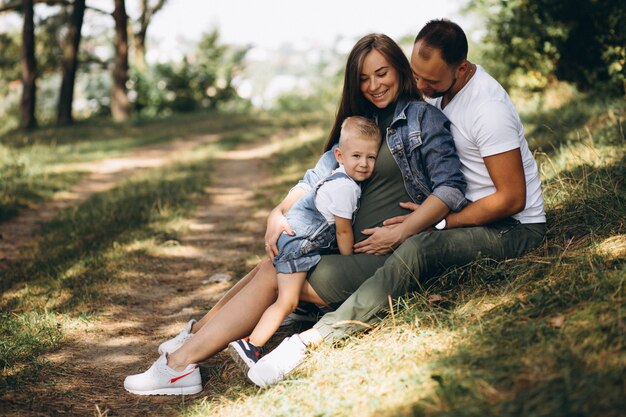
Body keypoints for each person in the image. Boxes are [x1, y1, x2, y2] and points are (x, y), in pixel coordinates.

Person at [123, 32, 467, 396]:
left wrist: (405, 230)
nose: (373, 85)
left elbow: (451, 187)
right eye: (363, 78)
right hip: (344, 248)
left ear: (399, 69)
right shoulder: (361, 122)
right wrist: (278, 211)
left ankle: (179, 366)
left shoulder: (423, 119)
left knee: (276, 270)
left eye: (381, 73)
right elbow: (315, 178)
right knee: (271, 261)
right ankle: (190, 341)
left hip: (385, 257)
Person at [246, 19, 547, 388]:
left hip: (514, 229)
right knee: (284, 263)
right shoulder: (440, 90)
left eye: (431, 82)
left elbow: (512, 199)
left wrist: (434, 223)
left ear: (463, 68)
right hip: (470, 216)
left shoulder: (488, 109)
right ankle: (199, 337)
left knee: (419, 245)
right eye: (416, 76)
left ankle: (314, 338)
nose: (421, 87)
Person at [227, 116, 380, 371]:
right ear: (340, 155)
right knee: (287, 300)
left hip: (297, 240)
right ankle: (250, 345)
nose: (363, 164)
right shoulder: (345, 188)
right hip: (299, 245)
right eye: (356, 156)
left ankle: (255, 337)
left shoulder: (338, 176)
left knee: (289, 298)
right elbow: (343, 232)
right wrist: (348, 261)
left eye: (371, 157)